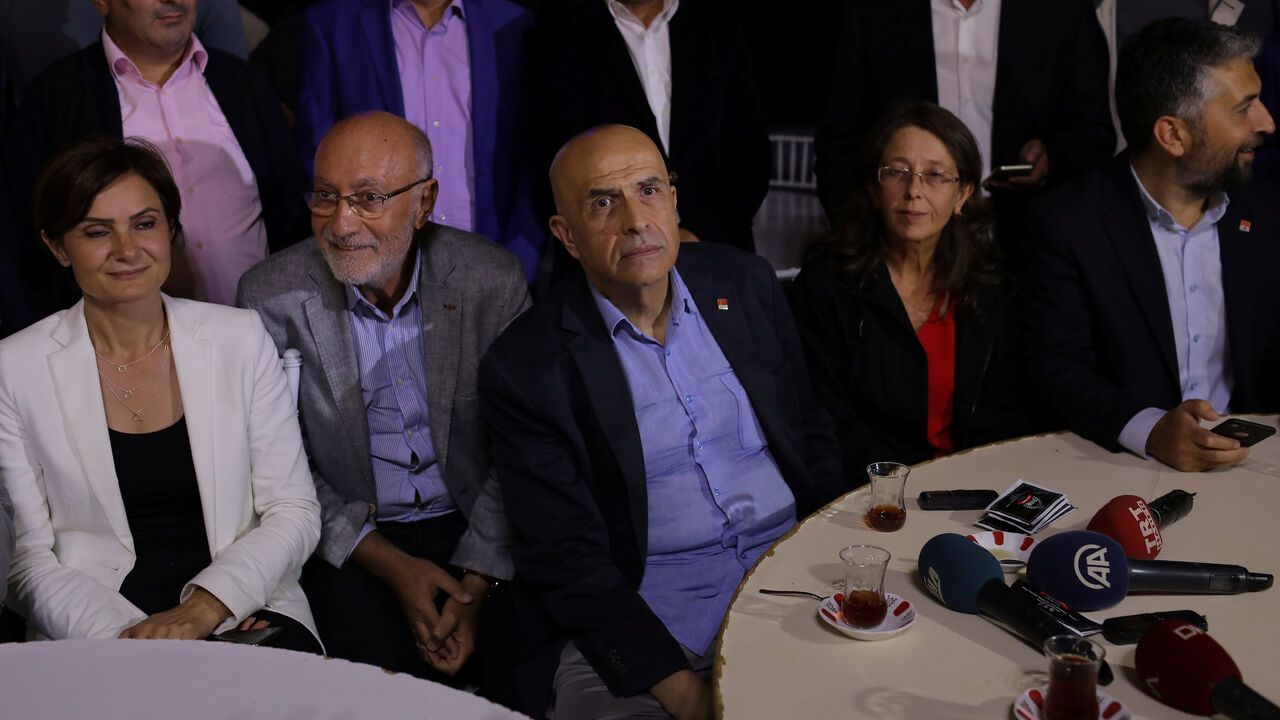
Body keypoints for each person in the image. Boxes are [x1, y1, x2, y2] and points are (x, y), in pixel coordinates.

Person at [478, 125, 843, 719]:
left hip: (803, 584)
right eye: (603, 202)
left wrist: (838, 557)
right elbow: (566, 558)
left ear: (674, 200)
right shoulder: (526, 367)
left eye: (649, 190)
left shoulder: (745, 284)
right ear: (566, 236)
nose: (635, 220)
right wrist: (688, 697)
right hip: (653, 627)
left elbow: (811, 432)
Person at [237, 111, 530, 686]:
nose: (341, 223)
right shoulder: (271, 295)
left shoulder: (489, 280)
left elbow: (524, 444)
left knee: (523, 680)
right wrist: (394, 567)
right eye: (326, 196)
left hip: (483, 523)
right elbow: (280, 466)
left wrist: (476, 581)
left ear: (424, 203)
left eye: (368, 198)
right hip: (352, 537)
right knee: (358, 691)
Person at [0, 137, 321, 648]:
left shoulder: (239, 337)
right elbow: (24, 561)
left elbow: (295, 511)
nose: (127, 250)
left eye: (145, 224)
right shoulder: (14, 367)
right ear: (58, 246)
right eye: (96, 232)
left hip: (241, 605)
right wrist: (136, 641)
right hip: (93, 627)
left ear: (170, 230)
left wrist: (202, 611)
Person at [1021, 19, 1280, 472]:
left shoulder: (1268, 213)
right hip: (1116, 471)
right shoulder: (1066, 224)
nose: (1267, 123)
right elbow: (1059, 367)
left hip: (1253, 472)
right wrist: (1152, 431)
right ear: (1173, 135)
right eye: (1244, 108)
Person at [4, 0, 304, 317]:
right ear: (103, 3)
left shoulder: (244, 82)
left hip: (262, 331)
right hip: (126, 350)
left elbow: (288, 208)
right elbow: (28, 237)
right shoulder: (55, 99)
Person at [790, 102, 1027, 487]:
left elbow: (1007, 414)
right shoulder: (827, 285)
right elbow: (827, 422)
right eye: (897, 173)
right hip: (870, 496)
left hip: (972, 492)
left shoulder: (991, 285)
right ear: (873, 188)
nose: (914, 191)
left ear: (963, 194)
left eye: (935, 175)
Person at [813, 0, 1114, 260]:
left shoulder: (1064, 10)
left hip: (1029, 246)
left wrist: (1052, 159)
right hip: (900, 248)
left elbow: (1093, 133)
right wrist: (859, 237)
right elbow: (838, 143)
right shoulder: (873, 10)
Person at [294, 0, 543, 284]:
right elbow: (317, 153)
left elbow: (534, 157)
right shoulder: (332, 23)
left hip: (491, 269)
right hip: (375, 274)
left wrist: (521, 259)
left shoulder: (513, 23)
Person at [526, 0, 771, 252]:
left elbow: (751, 154)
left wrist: (697, 232)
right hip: (610, 260)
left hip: (715, 250)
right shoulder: (557, 33)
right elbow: (553, 164)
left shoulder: (717, 24)